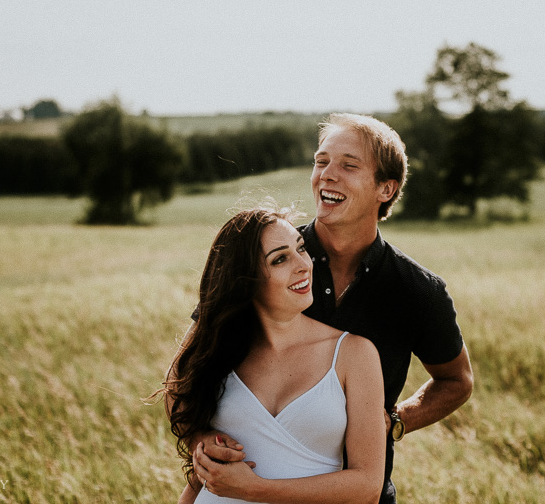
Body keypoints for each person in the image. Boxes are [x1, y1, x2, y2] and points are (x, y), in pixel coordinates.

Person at [192, 113, 474, 504]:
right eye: (321, 161)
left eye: (348, 165)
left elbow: (457, 381)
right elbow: (193, 364)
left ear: (386, 189)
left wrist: (392, 422)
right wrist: (200, 437)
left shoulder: (417, 292)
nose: (327, 174)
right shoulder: (269, 259)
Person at [162, 205, 386, 504]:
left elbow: (367, 487)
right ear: (246, 281)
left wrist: (253, 489)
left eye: (301, 248)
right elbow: (175, 389)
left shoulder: (353, 354)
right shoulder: (221, 349)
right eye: (280, 259)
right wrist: (198, 440)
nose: (304, 265)